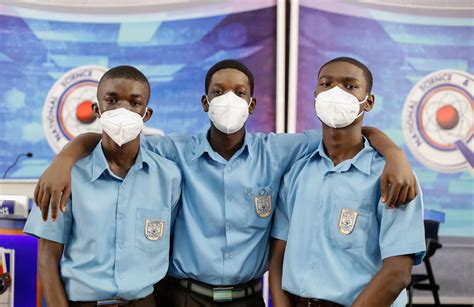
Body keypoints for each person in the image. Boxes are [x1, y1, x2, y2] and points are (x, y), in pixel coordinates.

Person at [34, 60, 418, 307]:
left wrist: (395, 154)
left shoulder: (279, 152)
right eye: (218, 92)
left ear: (252, 105)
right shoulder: (174, 155)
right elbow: (116, 138)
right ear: (204, 102)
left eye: (239, 93)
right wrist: (66, 157)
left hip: (248, 298)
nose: (228, 100)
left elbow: (347, 131)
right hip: (182, 297)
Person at [269, 57, 425, 307]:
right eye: (326, 84)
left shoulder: (392, 176)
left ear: (369, 101)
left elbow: (398, 270)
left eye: (350, 86)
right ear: (316, 95)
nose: (336, 92)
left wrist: (394, 154)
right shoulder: (297, 172)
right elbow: (278, 255)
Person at [24, 66, 181, 306]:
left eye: (134, 102)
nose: (123, 110)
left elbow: (167, 254)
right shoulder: (67, 176)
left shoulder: (168, 177)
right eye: (112, 100)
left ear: (146, 114)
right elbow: (46, 260)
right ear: (97, 109)